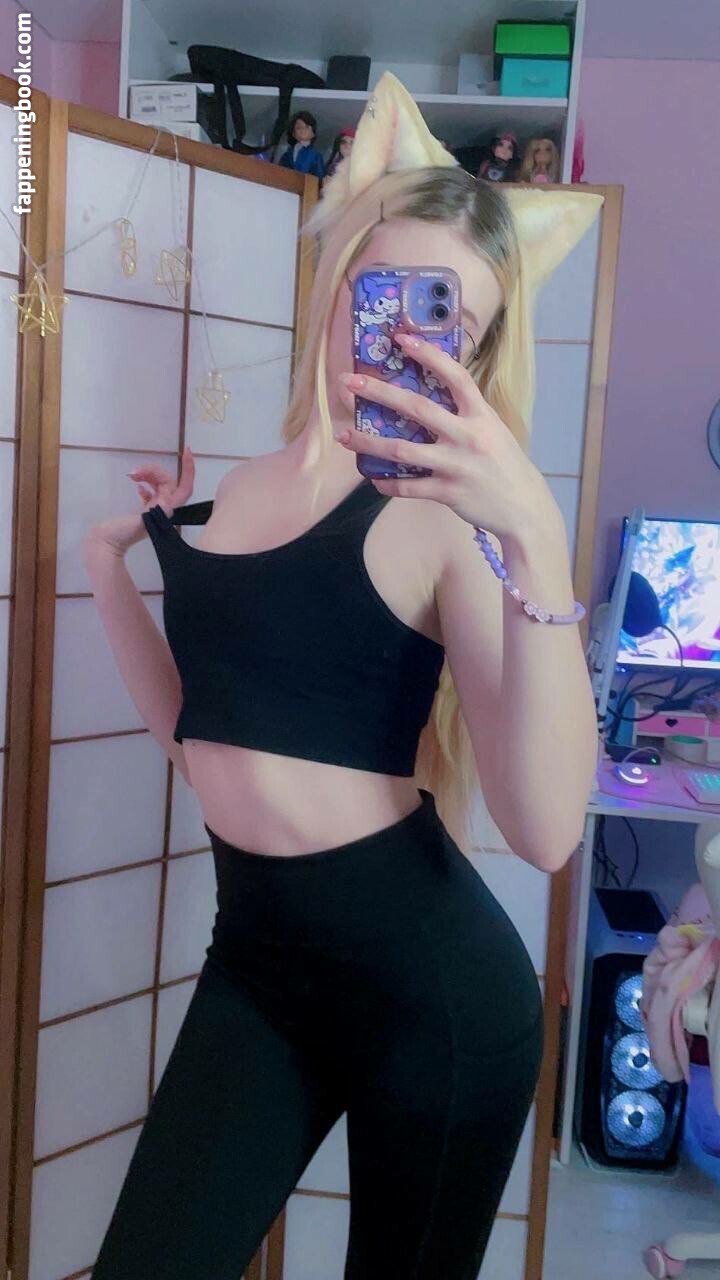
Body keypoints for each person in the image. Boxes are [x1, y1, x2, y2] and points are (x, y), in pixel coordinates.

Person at [84, 72, 600, 1280]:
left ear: (475, 350)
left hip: (440, 1004)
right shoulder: (238, 488)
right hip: (257, 968)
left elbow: (546, 831)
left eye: (444, 320)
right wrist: (107, 569)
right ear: (336, 286)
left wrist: (532, 533)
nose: (406, 341)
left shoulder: (445, 523)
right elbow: (198, 737)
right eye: (389, 295)